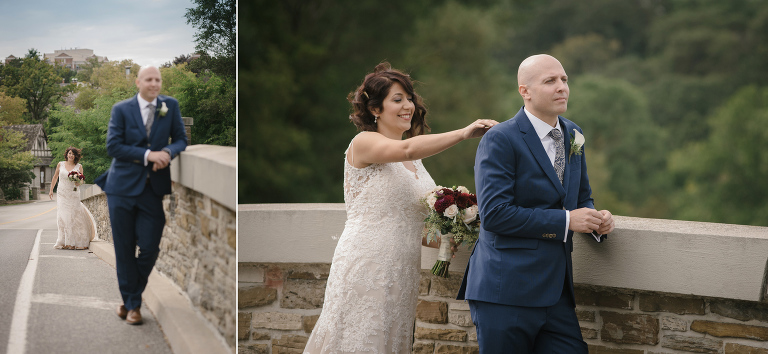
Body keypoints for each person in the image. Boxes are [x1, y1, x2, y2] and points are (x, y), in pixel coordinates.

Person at [303, 62, 497, 353]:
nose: (408, 105)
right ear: (375, 109)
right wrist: (463, 134)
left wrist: (447, 237)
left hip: (403, 268)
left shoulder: (415, 161)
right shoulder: (364, 143)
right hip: (367, 262)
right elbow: (406, 148)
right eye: (397, 99)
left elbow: (405, 222)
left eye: (409, 98)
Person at [457, 54, 615, 353]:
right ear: (525, 91)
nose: (562, 87)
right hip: (505, 291)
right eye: (550, 81)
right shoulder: (500, 139)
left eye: (564, 80)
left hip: (556, 294)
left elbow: (581, 197)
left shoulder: (574, 134)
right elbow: (495, 215)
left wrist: (597, 219)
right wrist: (567, 221)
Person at [95, 66, 187, 325]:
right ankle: (134, 307)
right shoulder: (121, 109)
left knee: (149, 247)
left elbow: (181, 139)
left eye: (158, 79)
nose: (154, 83)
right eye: (149, 79)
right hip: (120, 189)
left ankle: (128, 299)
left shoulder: (170, 105)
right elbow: (113, 146)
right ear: (138, 82)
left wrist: (168, 152)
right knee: (124, 250)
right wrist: (149, 155)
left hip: (151, 190)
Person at [48, 146, 94, 250]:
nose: (71, 155)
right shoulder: (60, 164)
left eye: (73, 154)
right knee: (63, 217)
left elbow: (81, 180)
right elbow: (55, 177)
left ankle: (75, 242)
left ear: (75, 156)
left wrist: (78, 182)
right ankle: (65, 242)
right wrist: (51, 190)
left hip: (73, 194)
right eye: (69, 153)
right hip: (62, 193)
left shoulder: (79, 166)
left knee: (74, 216)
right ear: (66, 154)